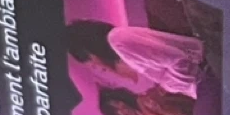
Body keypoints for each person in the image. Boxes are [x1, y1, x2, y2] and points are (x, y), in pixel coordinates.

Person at [67, 19, 207, 97]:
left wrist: (169, 86)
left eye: (91, 62)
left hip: (203, 72)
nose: (95, 66)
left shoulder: (118, 40)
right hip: (198, 81)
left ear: (89, 51)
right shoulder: (120, 49)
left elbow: (179, 60)